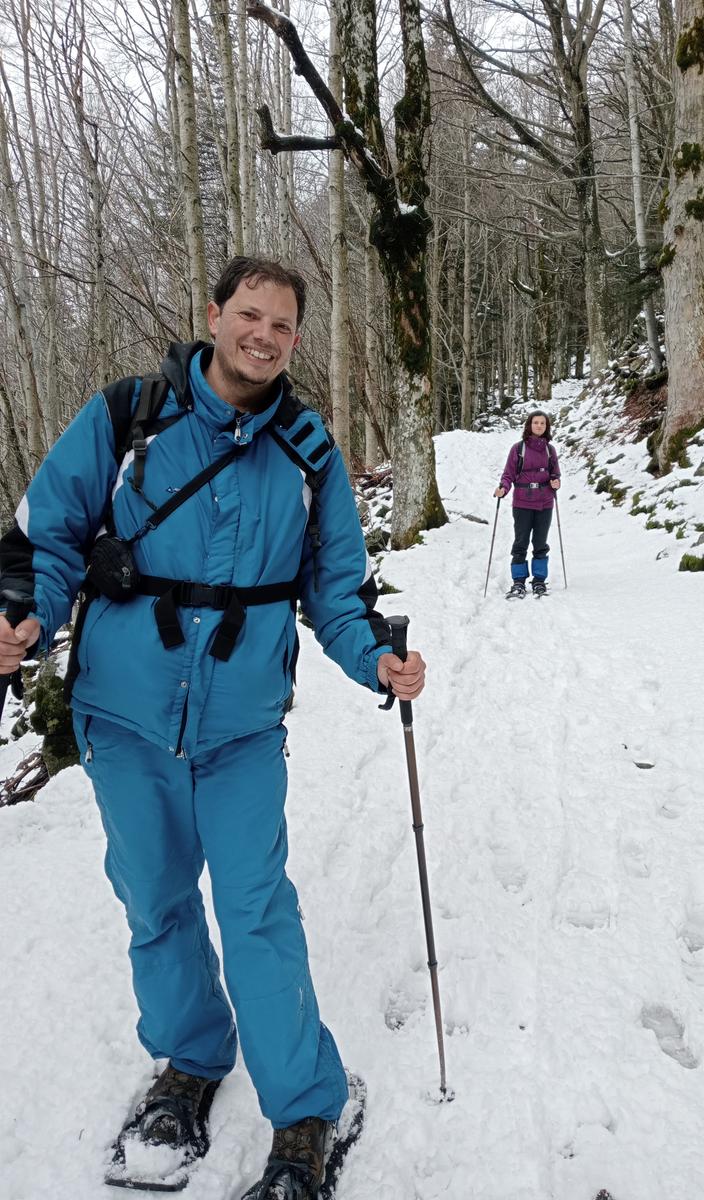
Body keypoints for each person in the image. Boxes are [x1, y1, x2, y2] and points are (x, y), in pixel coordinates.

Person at [0, 256, 426, 1200]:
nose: (263, 334)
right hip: (122, 714)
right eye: (249, 314)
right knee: (155, 902)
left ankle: (307, 1107)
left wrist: (376, 662)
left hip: (239, 728)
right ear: (215, 315)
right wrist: (22, 615)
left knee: (253, 909)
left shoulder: (310, 451)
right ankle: (191, 1060)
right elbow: (44, 536)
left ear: (296, 340)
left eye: (282, 323)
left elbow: (339, 593)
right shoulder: (127, 417)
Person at [493, 410, 561, 597]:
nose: (539, 426)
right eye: (536, 422)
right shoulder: (518, 449)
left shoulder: (550, 450)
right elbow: (508, 475)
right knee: (520, 543)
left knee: (540, 543)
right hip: (522, 503)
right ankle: (518, 582)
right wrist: (503, 489)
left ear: (546, 427)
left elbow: (555, 474)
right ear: (529, 425)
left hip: (545, 503)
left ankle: (539, 581)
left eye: (542, 423)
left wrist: (556, 482)